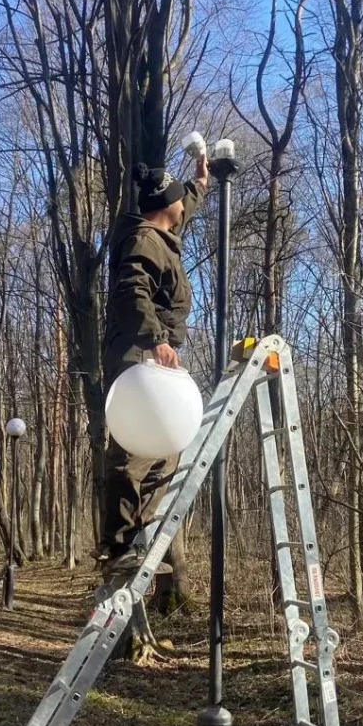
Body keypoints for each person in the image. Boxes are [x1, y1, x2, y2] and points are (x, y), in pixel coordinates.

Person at [101, 154, 209, 579]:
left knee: (165, 452)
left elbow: (185, 202)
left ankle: (138, 534)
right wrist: (156, 340)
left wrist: (201, 181)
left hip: (154, 355)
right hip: (139, 354)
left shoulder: (162, 232)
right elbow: (131, 291)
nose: (185, 205)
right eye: (181, 199)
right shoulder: (145, 240)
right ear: (166, 204)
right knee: (134, 451)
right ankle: (118, 545)